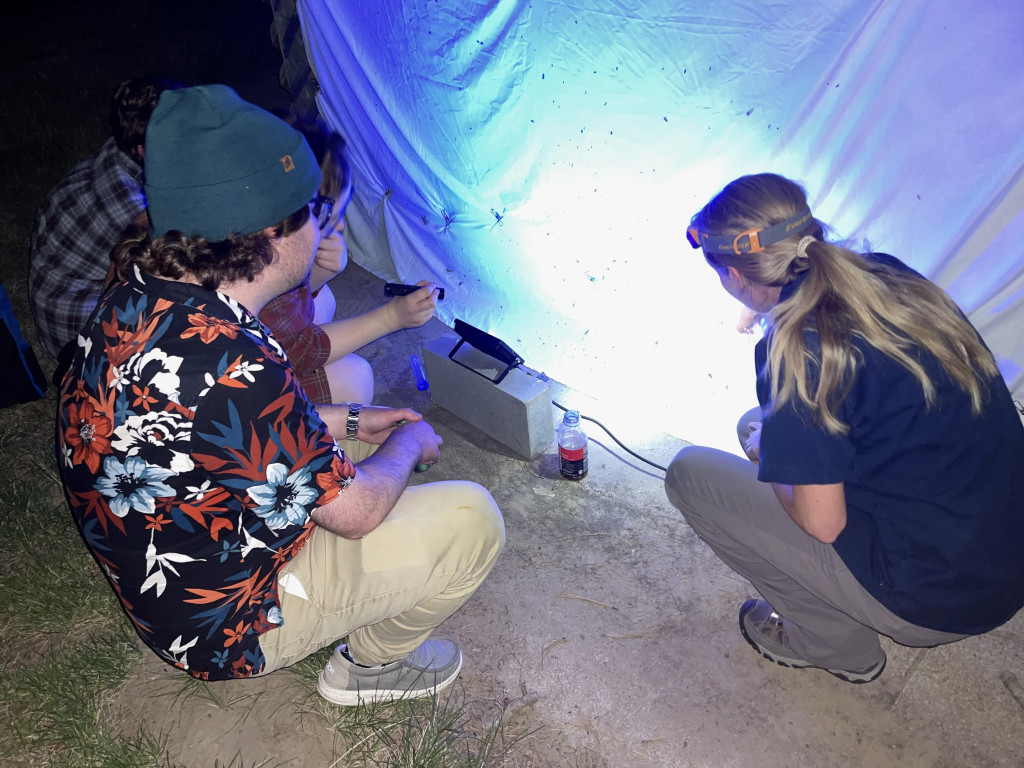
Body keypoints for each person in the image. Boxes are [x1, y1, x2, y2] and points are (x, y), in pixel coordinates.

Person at [56, 84, 505, 705]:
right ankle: (368, 671)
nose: (323, 225)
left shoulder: (145, 289)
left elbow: (215, 428)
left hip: (168, 579)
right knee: (473, 518)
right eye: (312, 210)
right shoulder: (230, 358)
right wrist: (404, 443)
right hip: (226, 623)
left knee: (349, 433)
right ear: (271, 230)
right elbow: (356, 513)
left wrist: (349, 421)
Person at [665, 172, 1024, 683]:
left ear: (737, 278)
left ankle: (835, 645)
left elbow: (823, 525)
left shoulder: (795, 351)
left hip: (938, 594)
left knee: (690, 474)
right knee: (757, 425)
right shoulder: (884, 276)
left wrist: (773, 464)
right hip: (1003, 548)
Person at [258, 113, 439, 405]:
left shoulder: (257, 230)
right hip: (243, 385)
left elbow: (290, 306)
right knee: (355, 377)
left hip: (257, 341)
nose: (340, 226)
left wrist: (319, 271)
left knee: (323, 299)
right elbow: (302, 350)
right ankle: (316, 443)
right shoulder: (256, 269)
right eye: (334, 217)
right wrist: (392, 317)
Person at [29, 75, 184, 363]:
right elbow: (175, 275)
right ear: (144, 149)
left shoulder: (122, 150)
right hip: (76, 337)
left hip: (68, 302)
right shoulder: (133, 204)